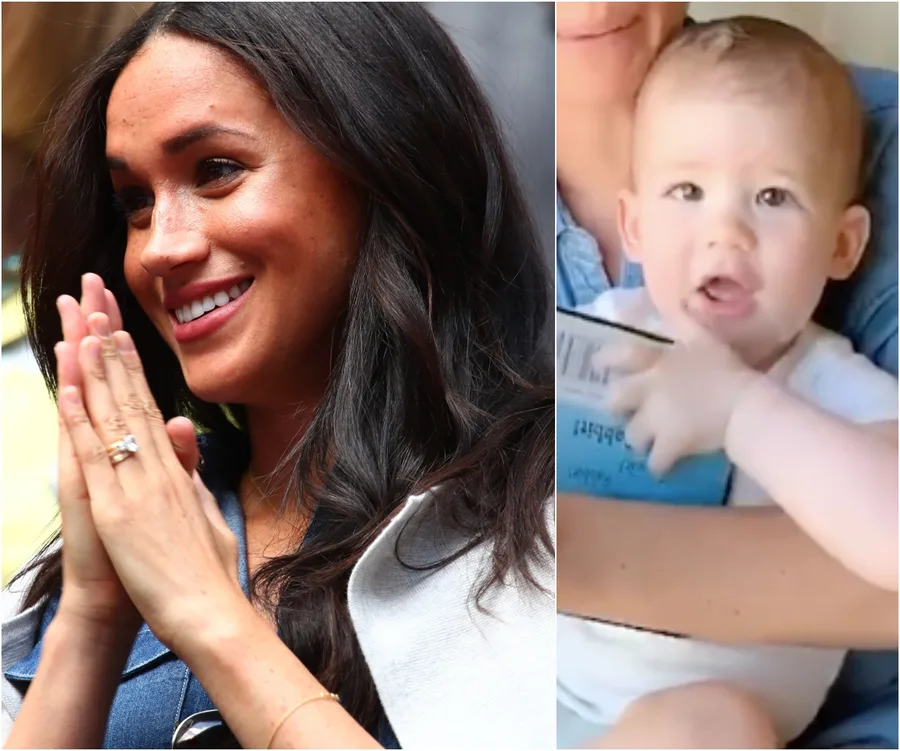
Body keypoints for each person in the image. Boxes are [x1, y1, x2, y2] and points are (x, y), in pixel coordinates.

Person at [1, 4, 555, 749]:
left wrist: (209, 613)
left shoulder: (548, 507)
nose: (159, 247)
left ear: (382, 163)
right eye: (134, 201)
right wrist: (94, 616)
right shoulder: (104, 549)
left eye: (217, 170)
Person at [556, 3, 898, 749]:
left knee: (707, 726)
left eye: (772, 197)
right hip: (544, 692)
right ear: (637, 226)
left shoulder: (828, 387)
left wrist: (745, 408)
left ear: (843, 245)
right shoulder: (597, 338)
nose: (726, 231)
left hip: (697, 723)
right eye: (688, 192)